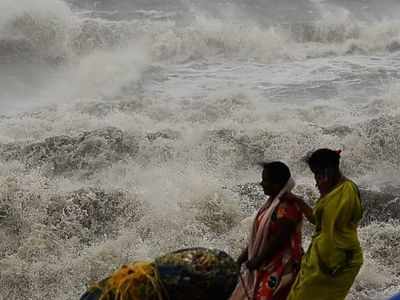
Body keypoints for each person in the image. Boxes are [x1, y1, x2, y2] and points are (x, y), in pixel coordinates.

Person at [287, 148, 363, 300]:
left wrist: (329, 266)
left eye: (317, 174)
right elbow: (317, 220)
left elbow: (334, 233)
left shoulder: (346, 193)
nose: (316, 180)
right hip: (321, 261)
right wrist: (298, 201)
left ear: (328, 171)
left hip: (337, 263)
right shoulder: (333, 190)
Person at [230, 161, 303, 300]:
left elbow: (279, 239)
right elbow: (260, 237)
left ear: (277, 184)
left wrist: (258, 259)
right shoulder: (271, 205)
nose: (261, 184)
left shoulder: (287, 206)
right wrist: (241, 259)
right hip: (268, 263)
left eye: (265, 180)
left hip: (282, 266)